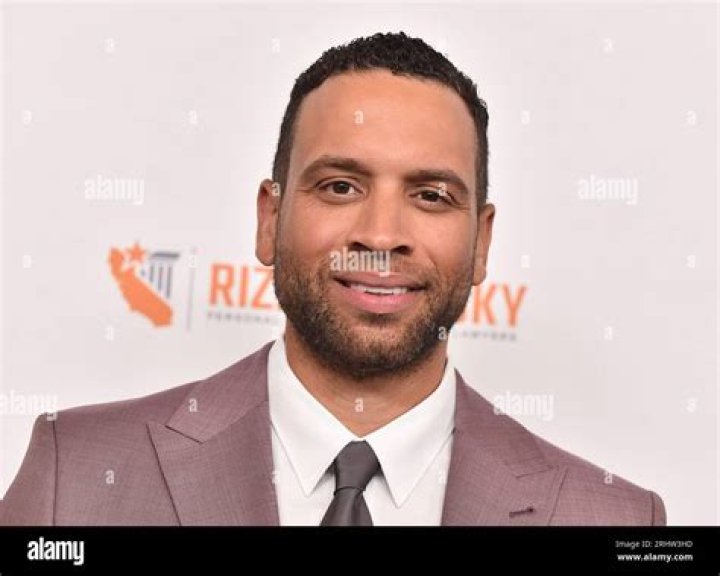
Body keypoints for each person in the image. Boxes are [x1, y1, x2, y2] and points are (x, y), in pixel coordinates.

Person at [0, 32, 665, 526]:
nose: (380, 236)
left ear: (481, 243)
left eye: (431, 196)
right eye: (341, 186)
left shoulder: (612, 518)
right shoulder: (75, 478)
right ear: (269, 220)